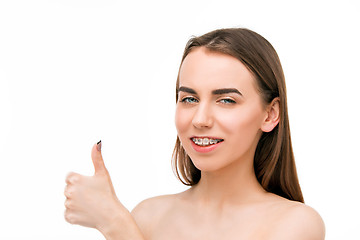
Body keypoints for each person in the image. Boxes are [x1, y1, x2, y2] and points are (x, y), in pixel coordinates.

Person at [64, 28, 325, 240]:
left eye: (226, 100)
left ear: (270, 114)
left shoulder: (297, 224)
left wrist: (114, 224)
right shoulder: (147, 216)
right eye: (189, 99)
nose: (200, 120)